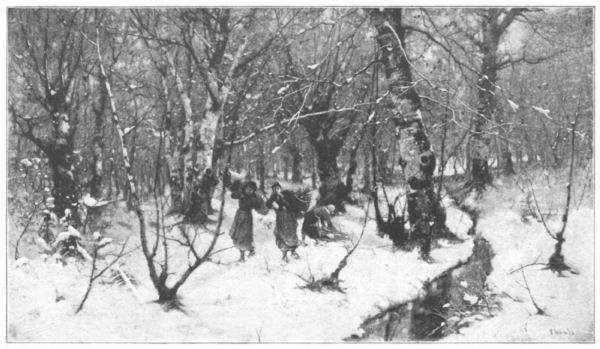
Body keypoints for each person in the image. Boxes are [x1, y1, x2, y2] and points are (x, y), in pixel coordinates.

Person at [229, 181, 267, 262]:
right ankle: (242, 256)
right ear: (245, 188)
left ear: (253, 191)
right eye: (248, 189)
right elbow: (232, 195)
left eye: (251, 190)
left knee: (245, 236)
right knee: (237, 235)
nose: (249, 191)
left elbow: (260, 207)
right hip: (239, 216)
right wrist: (237, 190)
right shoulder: (241, 194)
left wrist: (264, 206)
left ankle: (251, 250)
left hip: (247, 218)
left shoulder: (254, 198)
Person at [266, 182, 300, 262]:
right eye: (274, 189)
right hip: (280, 218)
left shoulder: (286, 195)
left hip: (289, 217)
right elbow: (268, 205)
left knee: (291, 233)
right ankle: (284, 255)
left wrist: (284, 200)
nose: (276, 190)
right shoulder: (273, 197)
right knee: (281, 234)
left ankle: (293, 251)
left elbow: (291, 204)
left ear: (280, 188)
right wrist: (272, 201)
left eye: (277, 188)